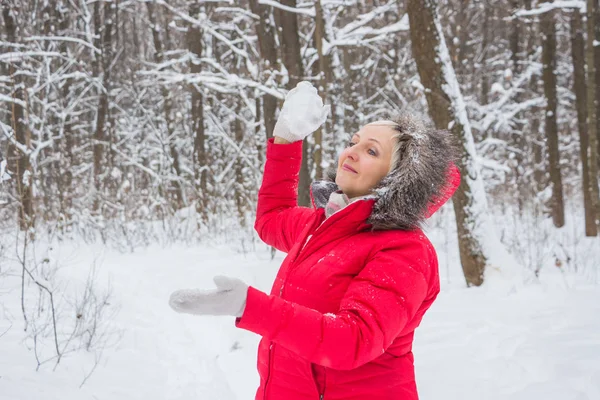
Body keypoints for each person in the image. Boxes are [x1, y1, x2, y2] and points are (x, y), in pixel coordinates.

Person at [169, 81, 460, 400]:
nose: (352, 151)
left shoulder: (405, 251)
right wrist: (286, 140)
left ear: (399, 178)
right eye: (354, 141)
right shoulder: (323, 226)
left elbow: (353, 341)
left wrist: (249, 306)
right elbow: (271, 218)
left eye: (371, 150)